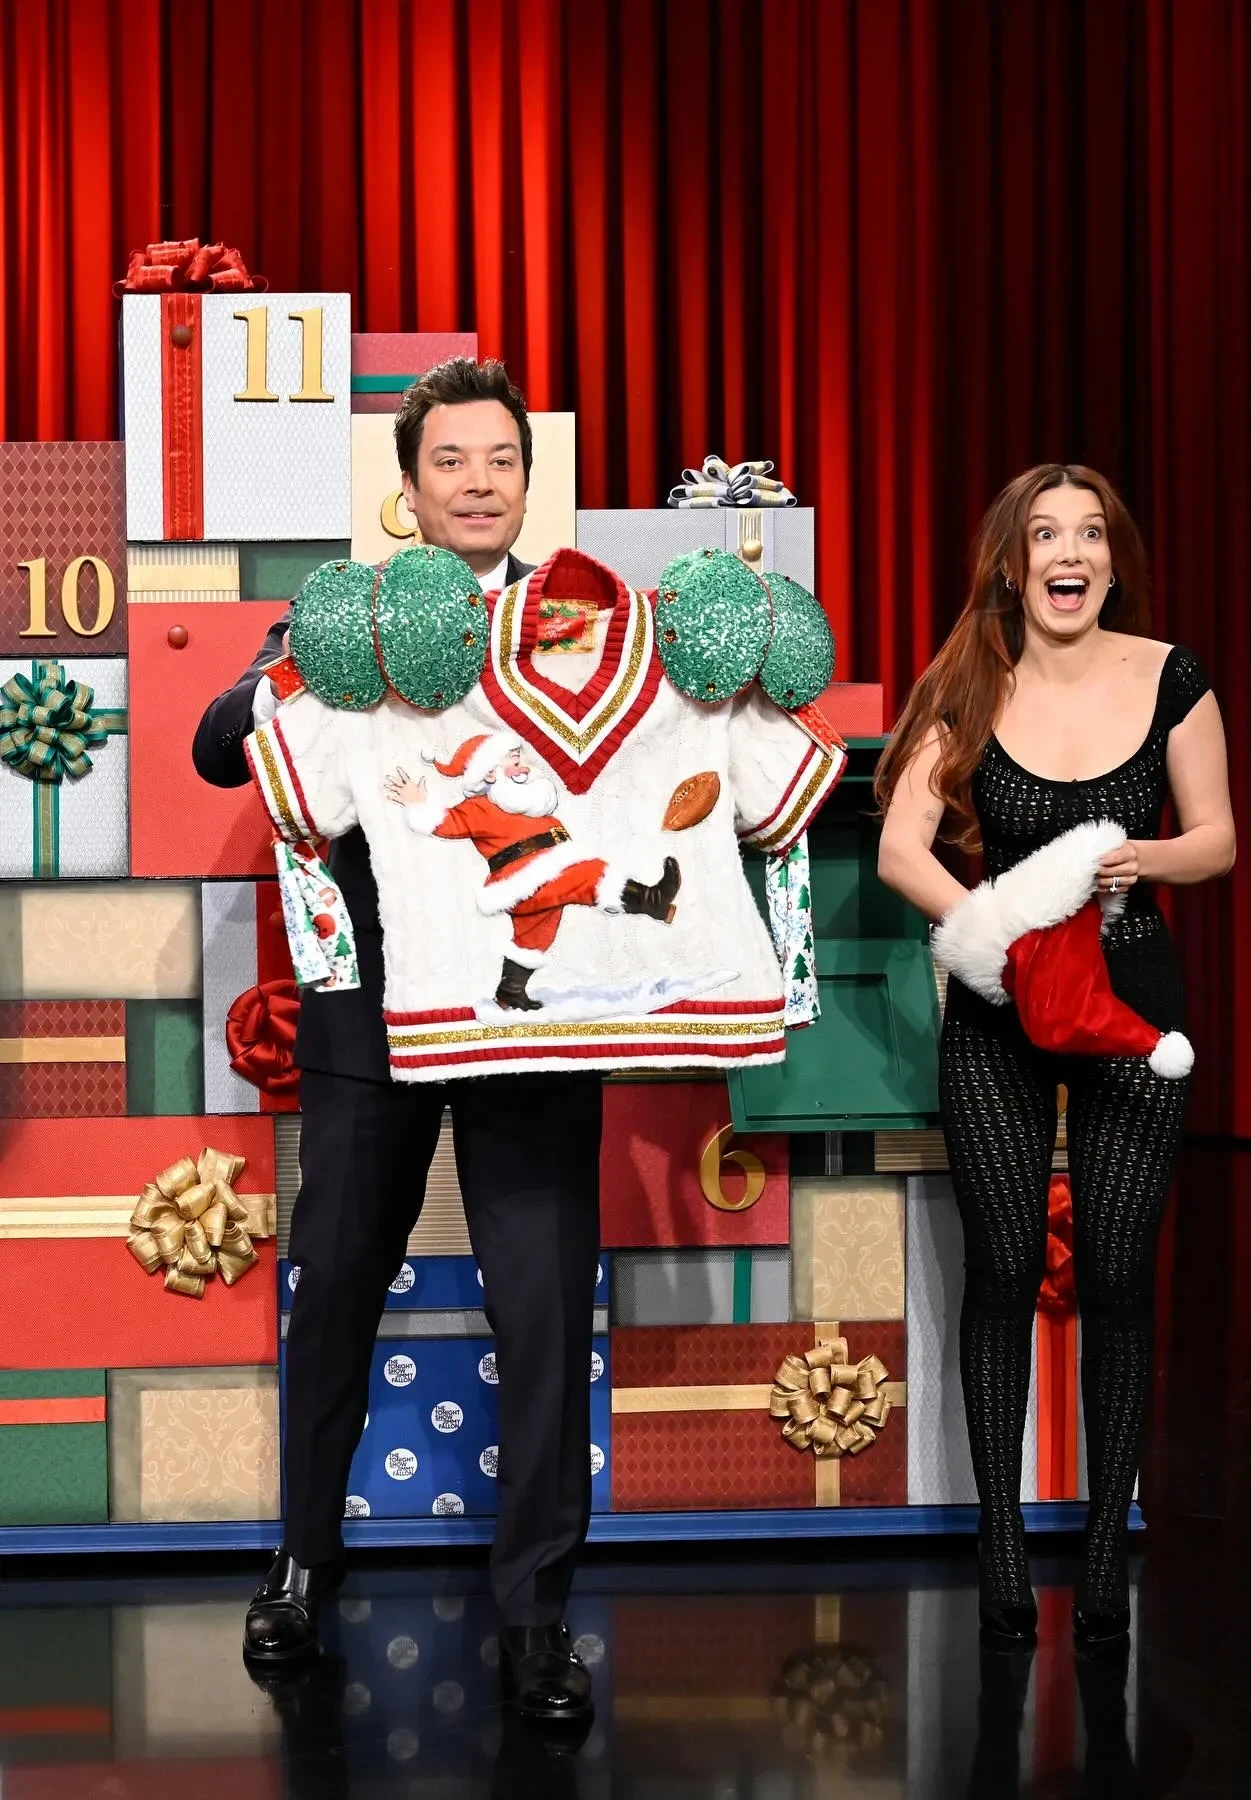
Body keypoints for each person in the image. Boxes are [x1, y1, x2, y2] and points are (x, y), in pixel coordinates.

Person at [194, 357, 597, 1720]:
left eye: (502, 460)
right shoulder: (341, 614)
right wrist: (308, 670)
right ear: (409, 491)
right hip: (368, 1011)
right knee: (336, 1291)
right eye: (451, 463)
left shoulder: (579, 622)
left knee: (543, 1307)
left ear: (527, 480)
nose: (479, 484)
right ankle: (303, 1565)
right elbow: (215, 743)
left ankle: (537, 1615)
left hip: (537, 1011)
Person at [874, 465, 1235, 1646]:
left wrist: (1140, 858)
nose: (1068, 554)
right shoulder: (971, 679)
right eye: (1045, 535)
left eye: (1089, 534)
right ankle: (998, 1546)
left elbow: (1217, 839)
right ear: (1015, 562)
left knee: (1119, 1274)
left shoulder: (1173, 677)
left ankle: (1106, 1553)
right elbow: (901, 849)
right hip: (1001, 1008)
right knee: (1004, 1265)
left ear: (1112, 563)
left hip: (1133, 993)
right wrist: (999, 941)